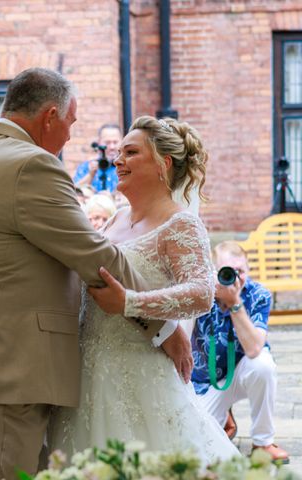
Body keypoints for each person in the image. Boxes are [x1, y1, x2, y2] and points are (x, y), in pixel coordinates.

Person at [0, 68, 192, 480]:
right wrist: (164, 327)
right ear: (50, 116)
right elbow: (95, 256)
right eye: (70, 122)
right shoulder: (29, 165)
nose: (70, 136)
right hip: (5, 367)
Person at [49, 115, 239, 464]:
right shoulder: (116, 218)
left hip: (139, 372)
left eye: (131, 152)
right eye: (119, 152)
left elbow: (201, 292)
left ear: (163, 164)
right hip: (88, 371)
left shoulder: (180, 222)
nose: (118, 160)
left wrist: (129, 302)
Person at [191, 241, 289, 463]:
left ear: (249, 270)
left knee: (263, 365)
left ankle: (263, 443)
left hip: (244, 370)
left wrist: (234, 302)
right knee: (198, 447)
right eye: (228, 272)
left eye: (241, 271)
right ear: (213, 272)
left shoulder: (258, 295)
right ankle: (223, 416)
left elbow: (254, 348)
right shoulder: (201, 293)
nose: (235, 278)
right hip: (207, 382)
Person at [73, 123, 122, 192]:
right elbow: (74, 193)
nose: (112, 147)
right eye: (107, 142)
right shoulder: (86, 166)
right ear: (99, 142)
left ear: (122, 142)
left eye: (115, 142)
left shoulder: (128, 167)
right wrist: (90, 175)